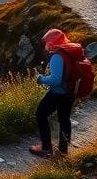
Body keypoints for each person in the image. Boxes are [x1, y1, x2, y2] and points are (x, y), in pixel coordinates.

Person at [30, 28, 82, 157]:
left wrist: (41, 79)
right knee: (64, 119)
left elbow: (56, 80)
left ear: (52, 43)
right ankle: (63, 151)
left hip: (58, 93)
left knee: (41, 114)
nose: (46, 45)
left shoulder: (57, 56)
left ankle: (46, 148)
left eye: (47, 42)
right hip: (70, 92)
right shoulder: (68, 52)